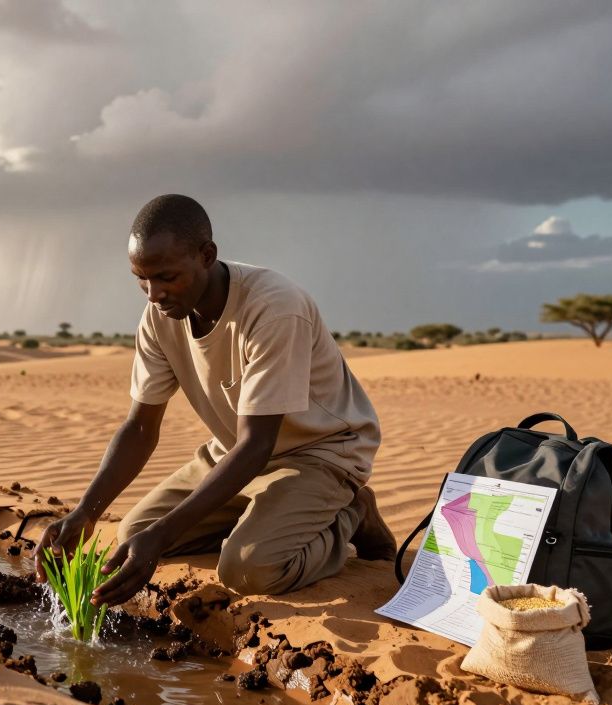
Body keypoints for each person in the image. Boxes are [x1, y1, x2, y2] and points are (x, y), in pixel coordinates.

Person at [34, 194, 396, 608]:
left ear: (207, 255)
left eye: (167, 277)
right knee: (135, 534)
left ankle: (349, 514)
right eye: (141, 279)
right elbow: (139, 428)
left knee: (248, 570)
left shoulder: (273, 309)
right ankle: (267, 518)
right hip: (234, 454)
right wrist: (86, 512)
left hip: (318, 454)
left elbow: (258, 443)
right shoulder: (160, 316)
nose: (153, 294)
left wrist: (166, 535)